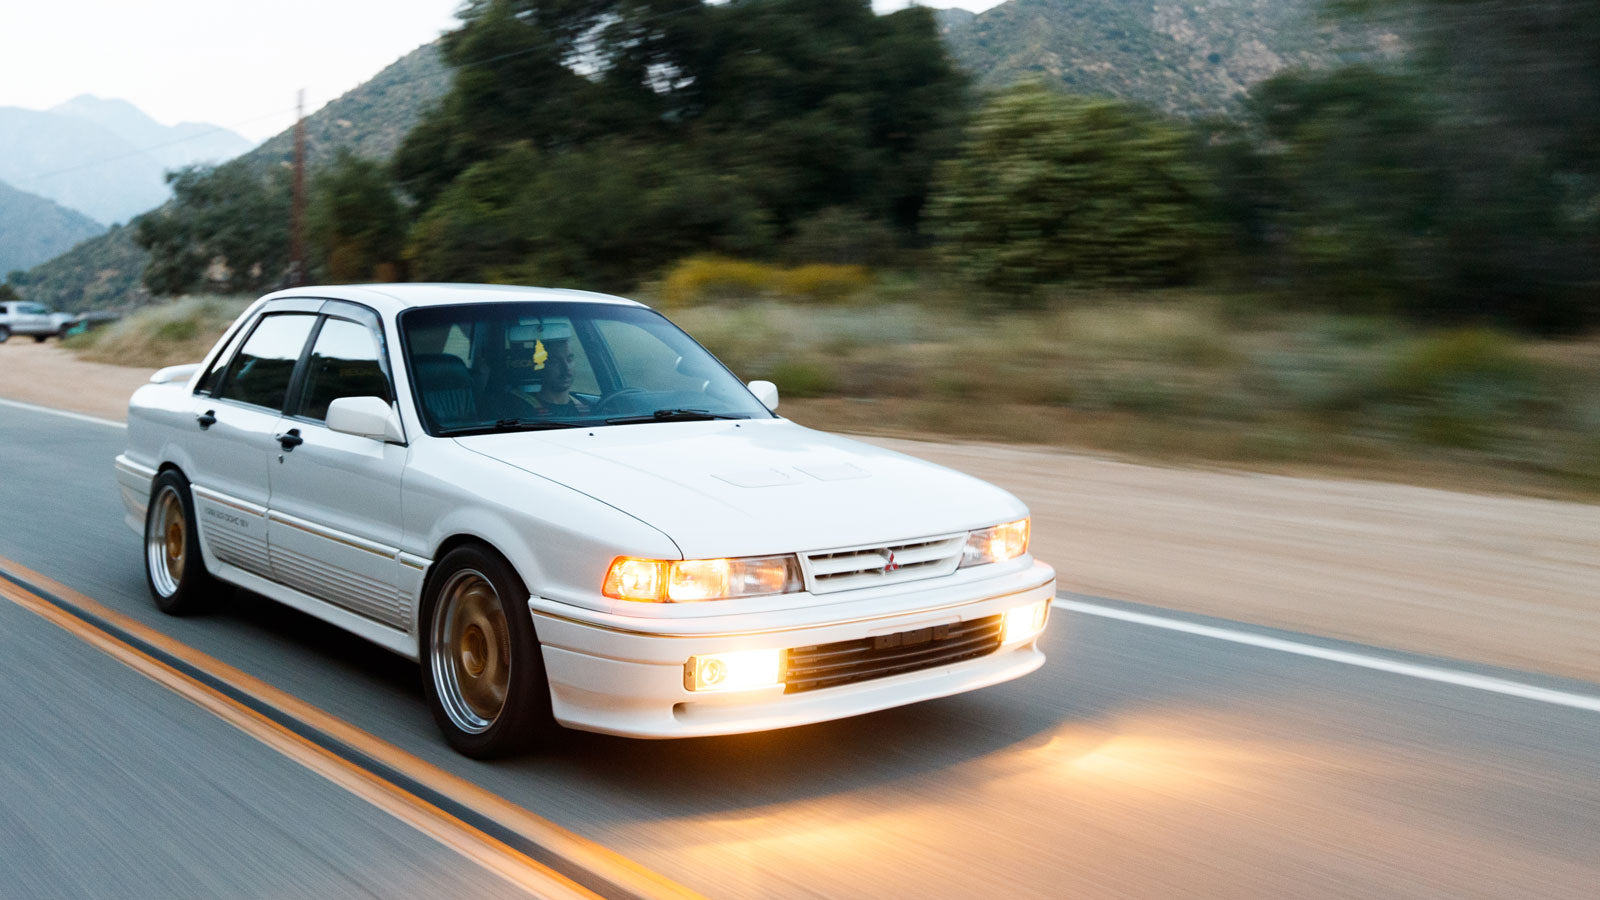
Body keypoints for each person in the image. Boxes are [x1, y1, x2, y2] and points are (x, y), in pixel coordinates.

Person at [500, 335, 590, 418]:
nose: (566, 368)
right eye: (555, 362)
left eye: (569, 359)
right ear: (540, 366)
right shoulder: (521, 411)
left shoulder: (586, 408)